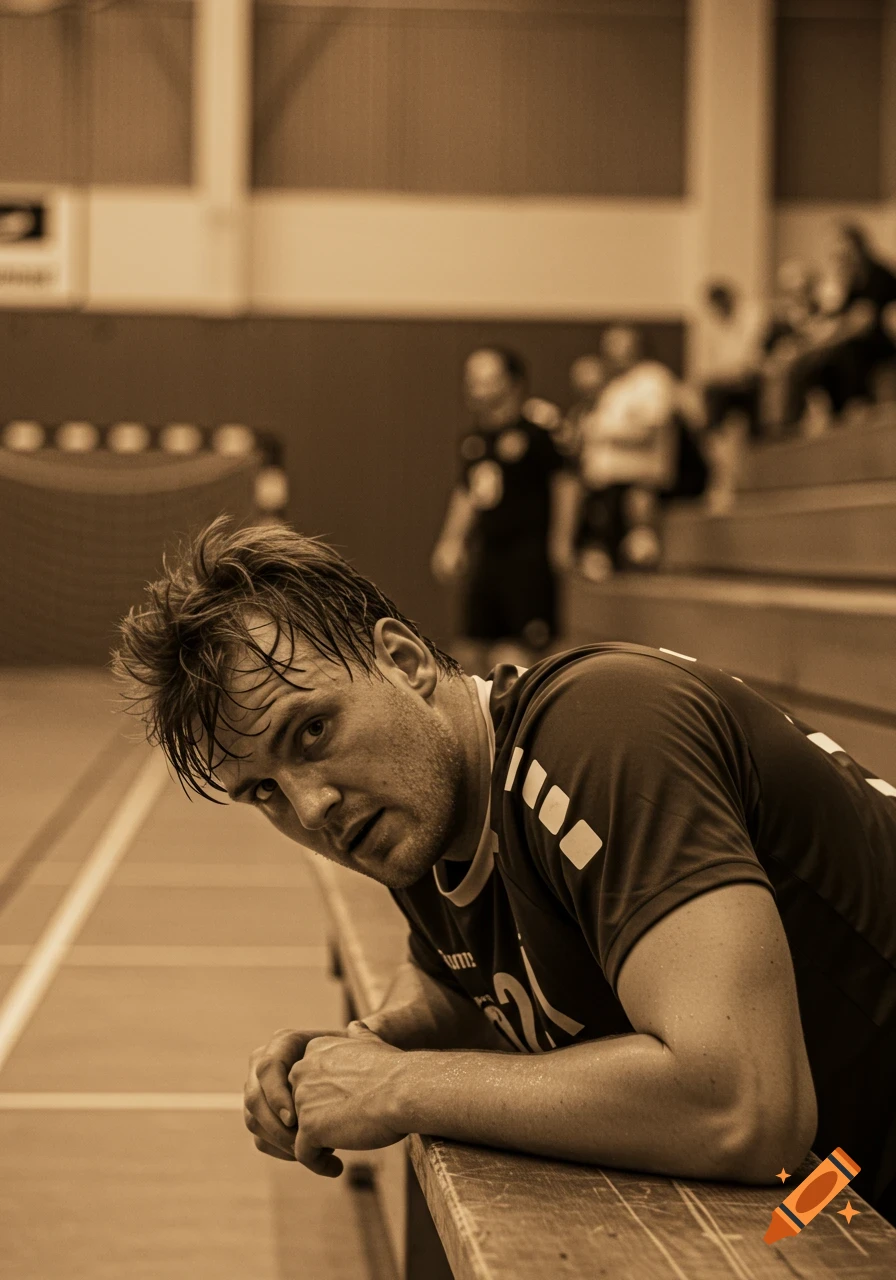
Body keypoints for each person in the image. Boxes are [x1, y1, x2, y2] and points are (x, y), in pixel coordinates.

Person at [114, 518, 896, 1226]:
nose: (311, 808)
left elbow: (743, 1106)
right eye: (263, 791)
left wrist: (396, 1087)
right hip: (844, 1182)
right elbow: (464, 984)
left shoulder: (602, 733)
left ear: (405, 660)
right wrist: (359, 1048)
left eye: (313, 730)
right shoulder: (428, 810)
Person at [430, 347, 578, 672]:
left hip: (529, 555)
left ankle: (520, 719)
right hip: (490, 553)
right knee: (471, 645)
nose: (476, 386)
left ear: (512, 382)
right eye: (471, 378)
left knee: (518, 651)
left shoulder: (539, 431)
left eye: (486, 378)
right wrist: (451, 541)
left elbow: (566, 484)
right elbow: (468, 492)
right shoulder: (475, 440)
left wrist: (562, 540)